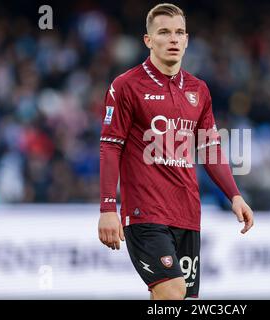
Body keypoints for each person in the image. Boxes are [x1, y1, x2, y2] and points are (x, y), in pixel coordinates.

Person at [98, 3, 254, 300]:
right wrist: (107, 208)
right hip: (145, 214)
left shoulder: (199, 90)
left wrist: (234, 194)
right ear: (148, 40)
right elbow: (110, 146)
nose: (173, 39)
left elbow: (209, 146)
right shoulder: (126, 86)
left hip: (186, 214)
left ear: (187, 39)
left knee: (182, 301)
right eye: (164, 32)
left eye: (179, 32)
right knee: (172, 292)